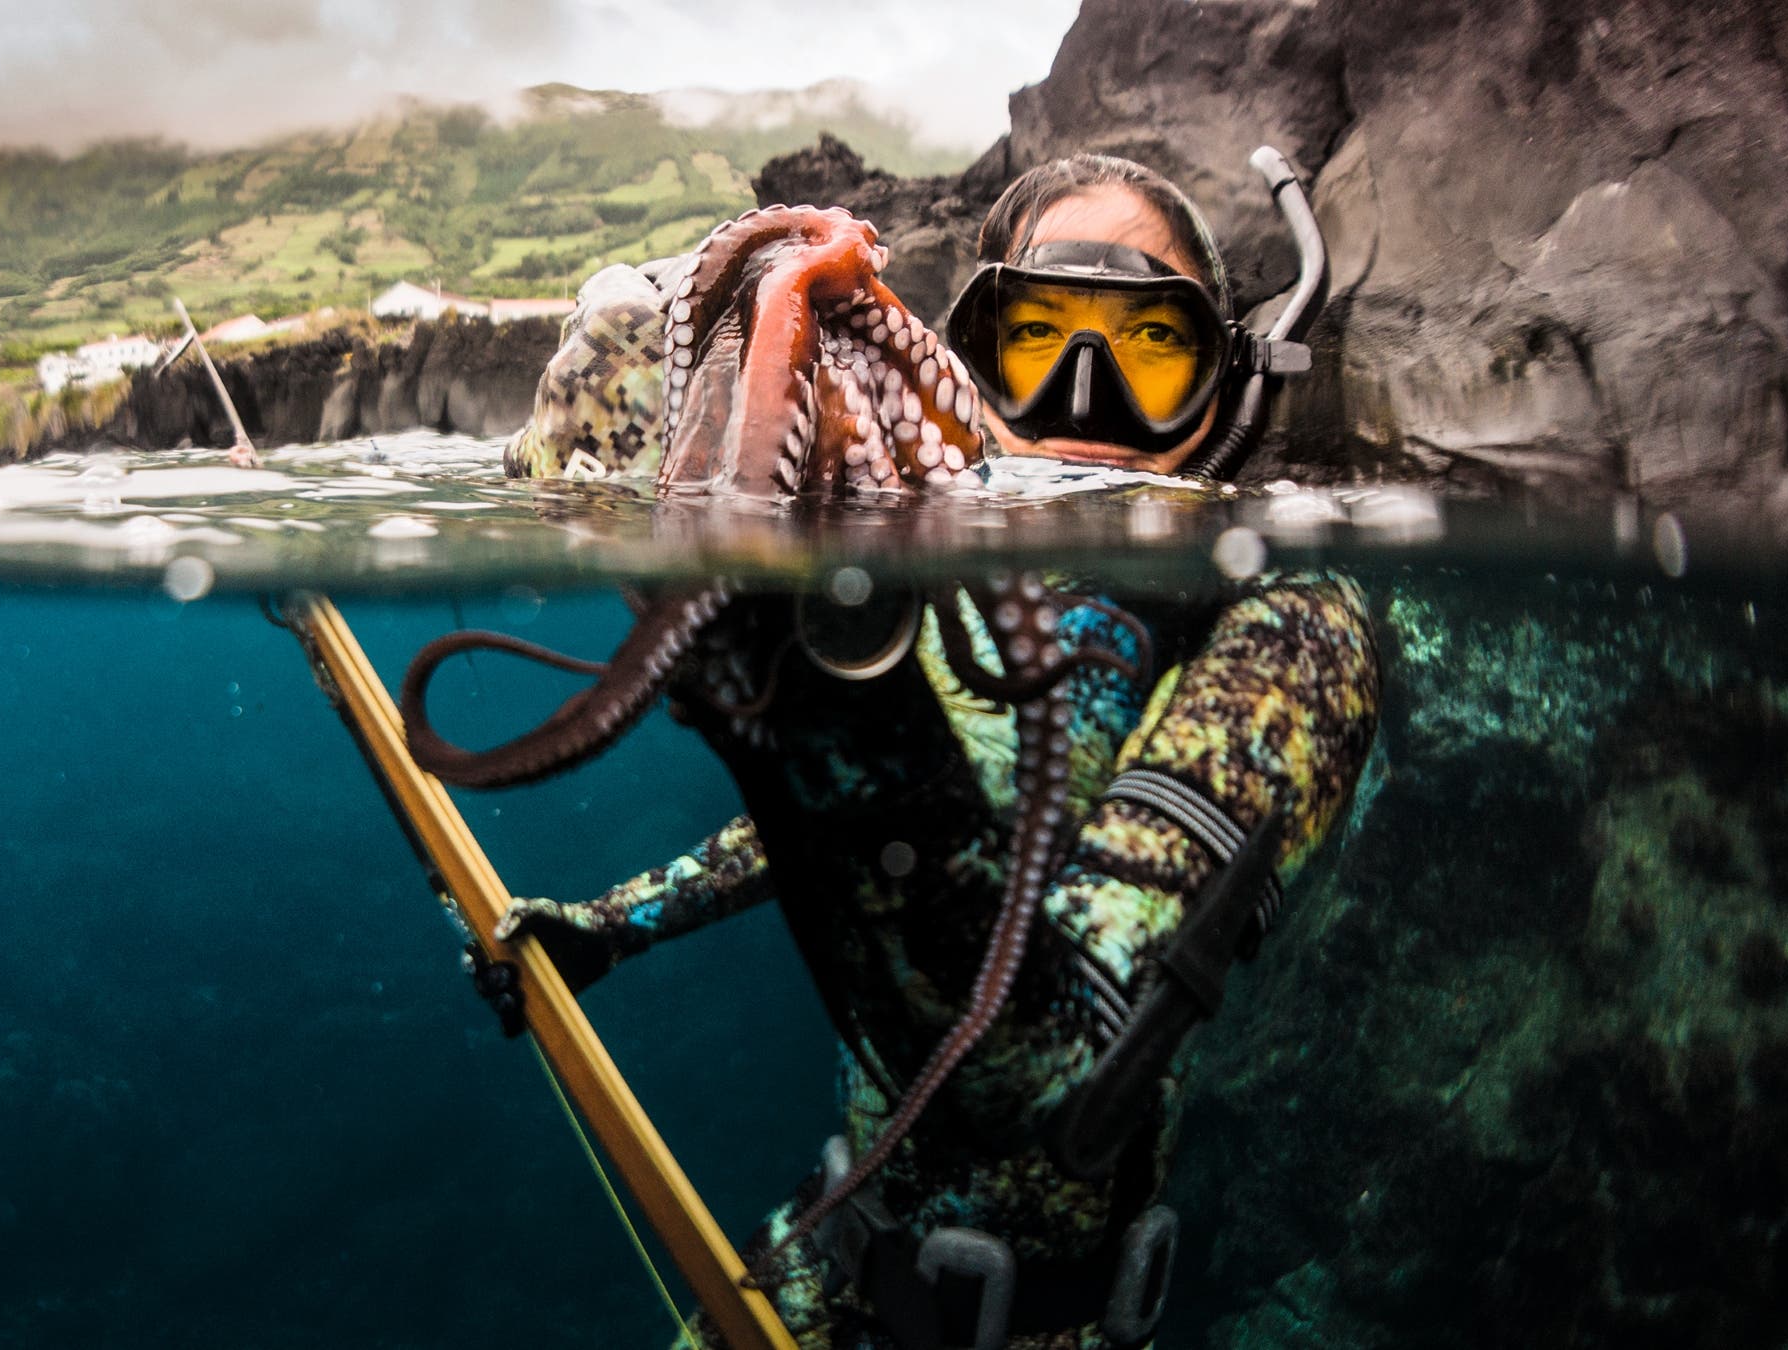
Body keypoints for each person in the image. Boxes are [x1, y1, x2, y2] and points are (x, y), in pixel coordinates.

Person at [489, 154, 1380, 1350]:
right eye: (1038, 342)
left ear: (1223, 395)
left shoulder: (1292, 632)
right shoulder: (948, 584)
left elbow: (1056, 1063)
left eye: (1151, 351)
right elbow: (807, 830)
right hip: (807, 1276)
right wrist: (609, 926)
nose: (1087, 401)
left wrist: (812, 702)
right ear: (973, 369)